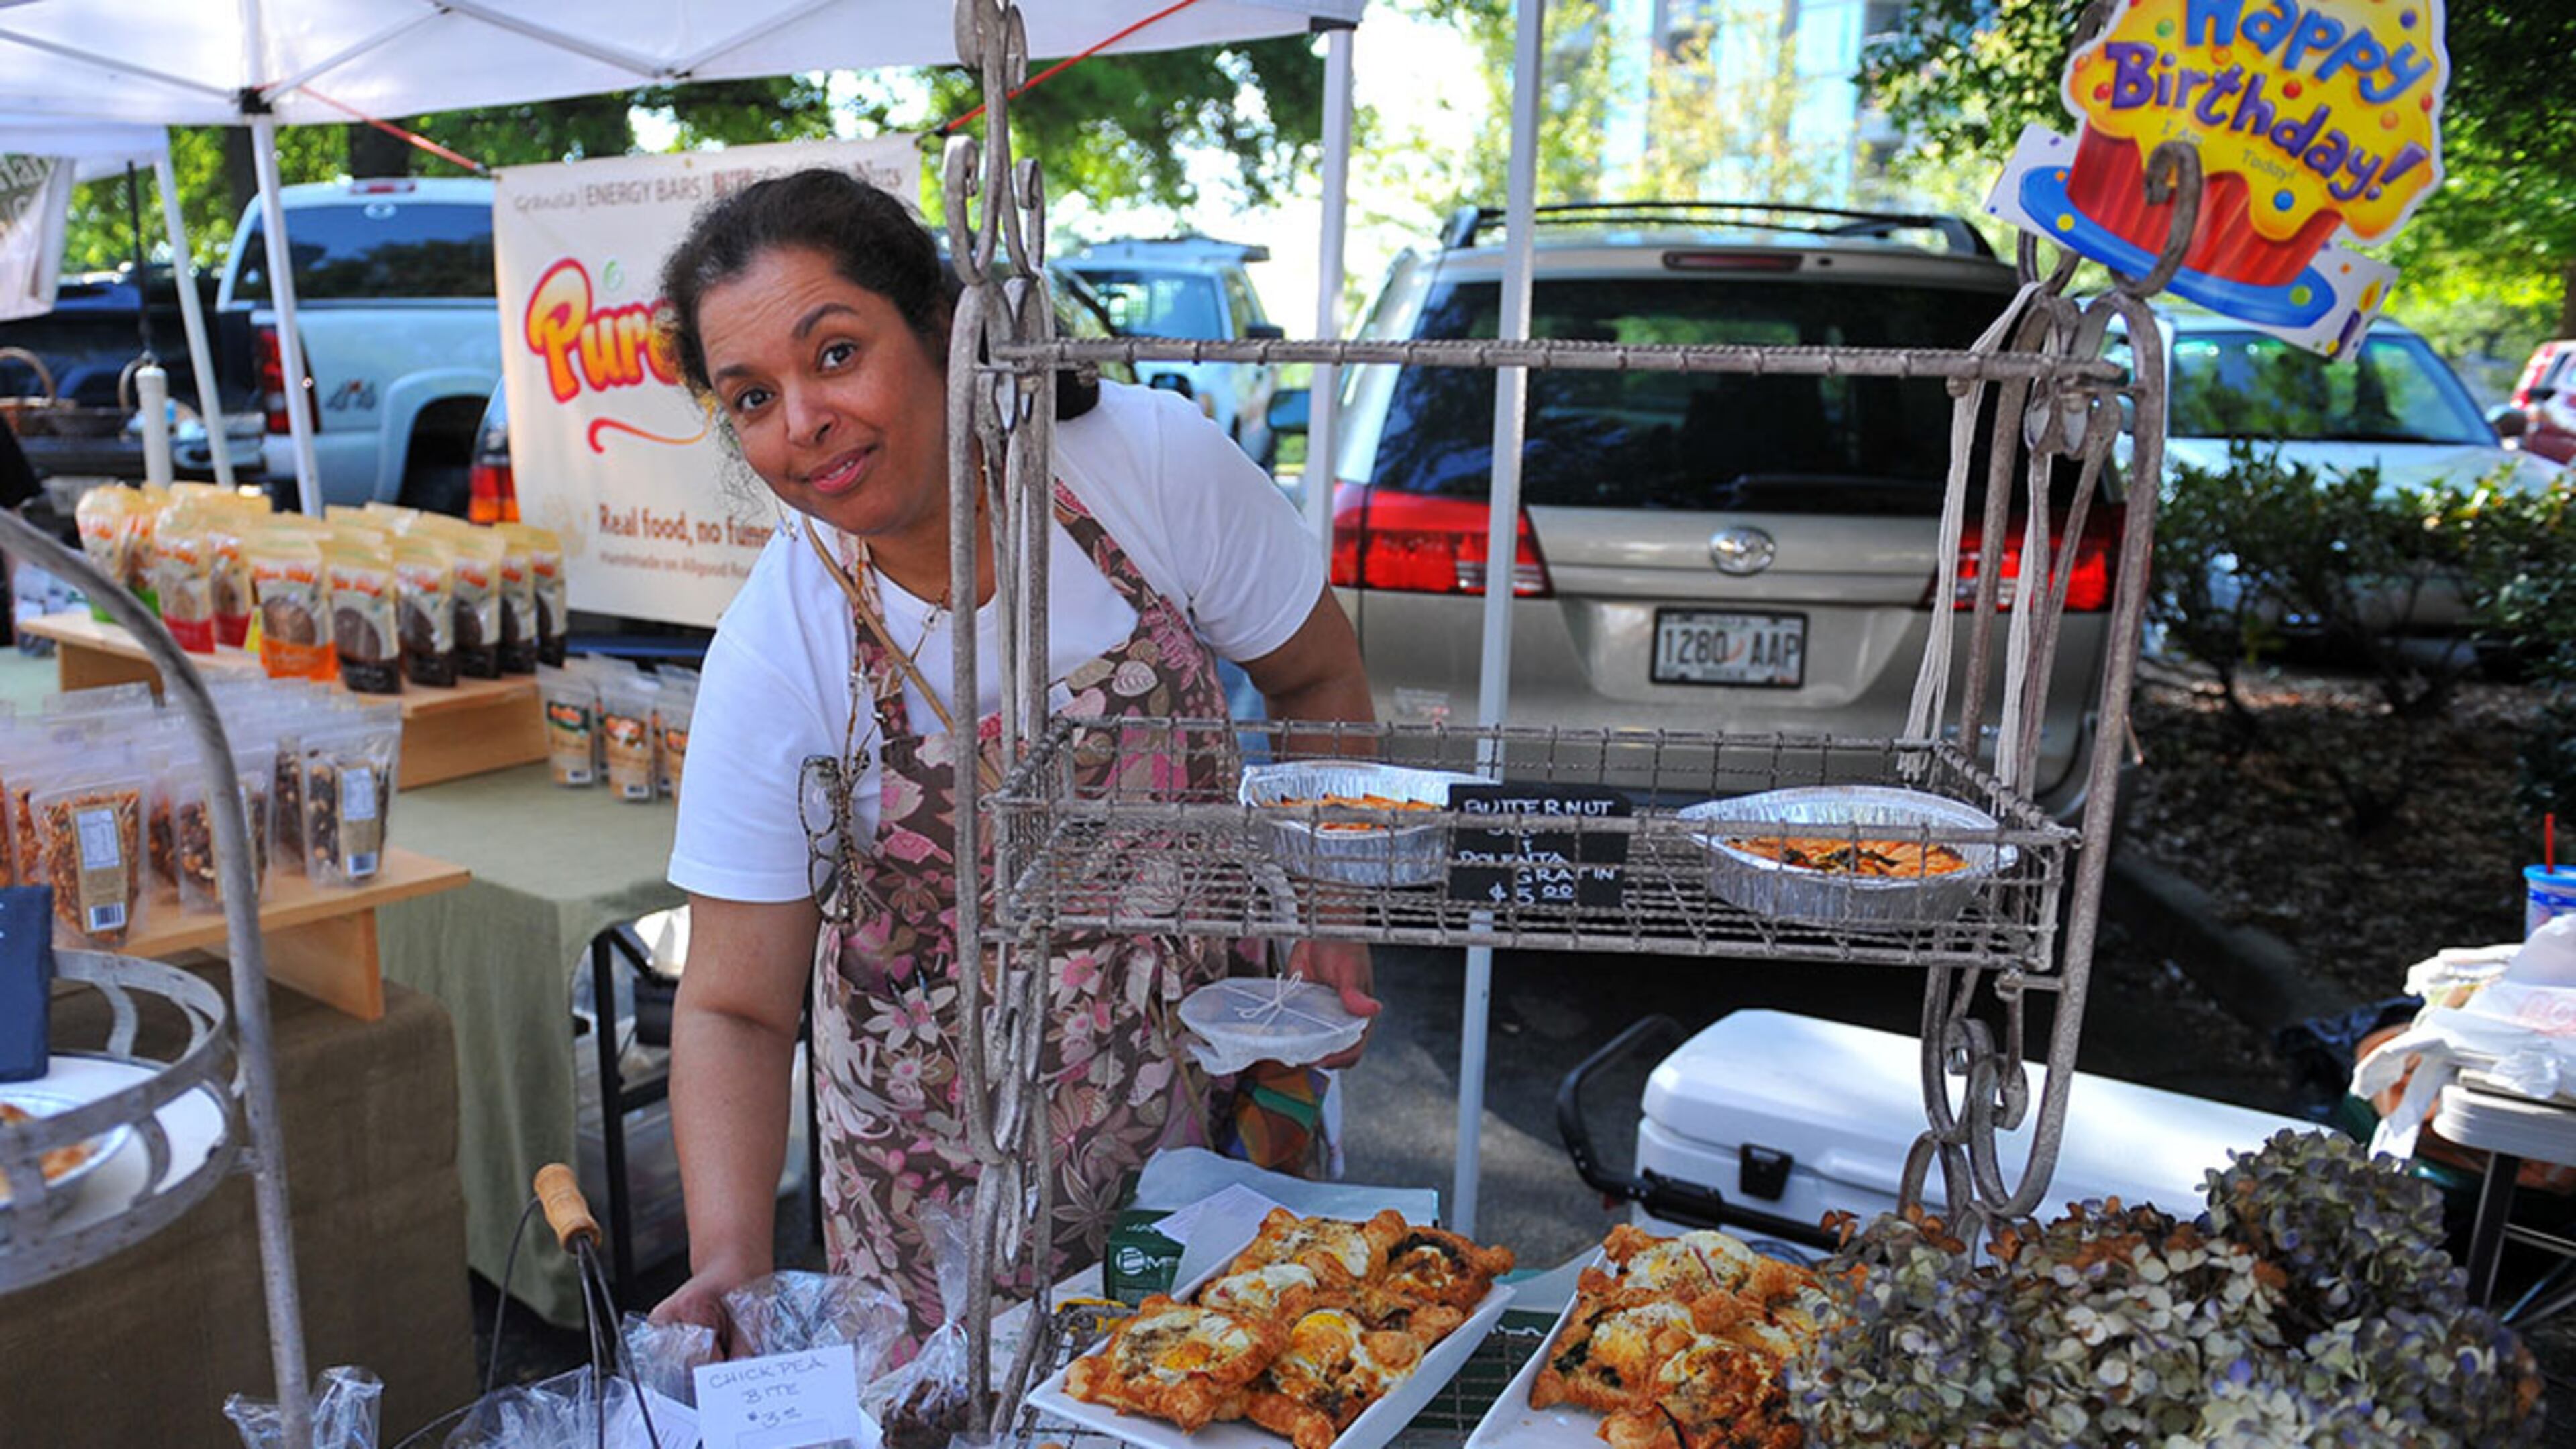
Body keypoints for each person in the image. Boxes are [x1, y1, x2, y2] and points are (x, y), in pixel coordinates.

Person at [647, 169, 1377, 1348]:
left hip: (1208, 1126)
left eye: (834, 355)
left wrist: (1329, 906)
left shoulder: (1146, 471)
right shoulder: (781, 642)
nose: (800, 423)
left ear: (945, 329)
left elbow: (1320, 682)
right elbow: (734, 1001)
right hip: (939, 1219)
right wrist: (729, 1260)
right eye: (750, 398)